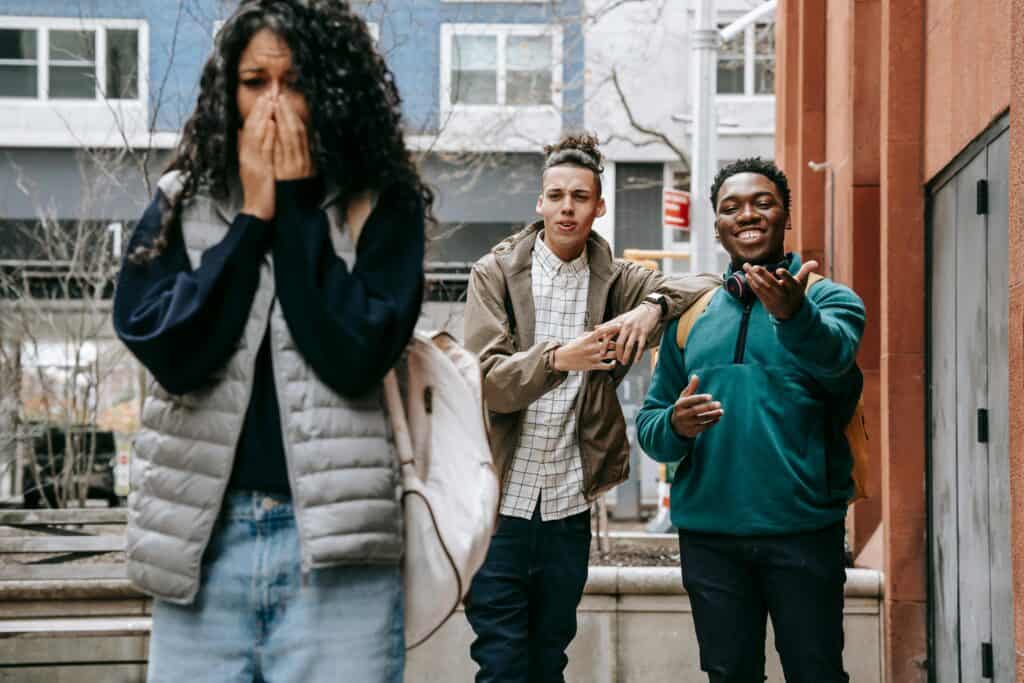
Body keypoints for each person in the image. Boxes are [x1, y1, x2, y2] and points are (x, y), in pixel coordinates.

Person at [112, 1, 430, 680]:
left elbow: (354, 355)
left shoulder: (380, 199)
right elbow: (168, 348)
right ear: (229, 92)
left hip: (338, 556)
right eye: (256, 82)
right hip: (202, 546)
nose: (275, 104)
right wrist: (250, 221)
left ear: (332, 92)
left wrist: (295, 209)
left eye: (297, 82)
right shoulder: (180, 198)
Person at [462, 133, 718, 683]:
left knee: (549, 660)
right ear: (539, 202)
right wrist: (560, 358)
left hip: (566, 509)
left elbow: (707, 282)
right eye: (555, 195)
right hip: (498, 506)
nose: (567, 208)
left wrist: (651, 309)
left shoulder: (617, 280)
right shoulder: (496, 274)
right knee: (501, 663)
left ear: (598, 207)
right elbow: (488, 383)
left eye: (580, 197)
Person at [636, 157, 865, 683]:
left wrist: (793, 314)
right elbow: (651, 427)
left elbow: (836, 363)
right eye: (731, 207)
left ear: (786, 215)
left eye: (763, 202)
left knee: (817, 673)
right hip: (710, 540)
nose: (748, 215)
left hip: (804, 533)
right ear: (717, 226)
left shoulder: (829, 299)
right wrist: (676, 424)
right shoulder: (690, 316)